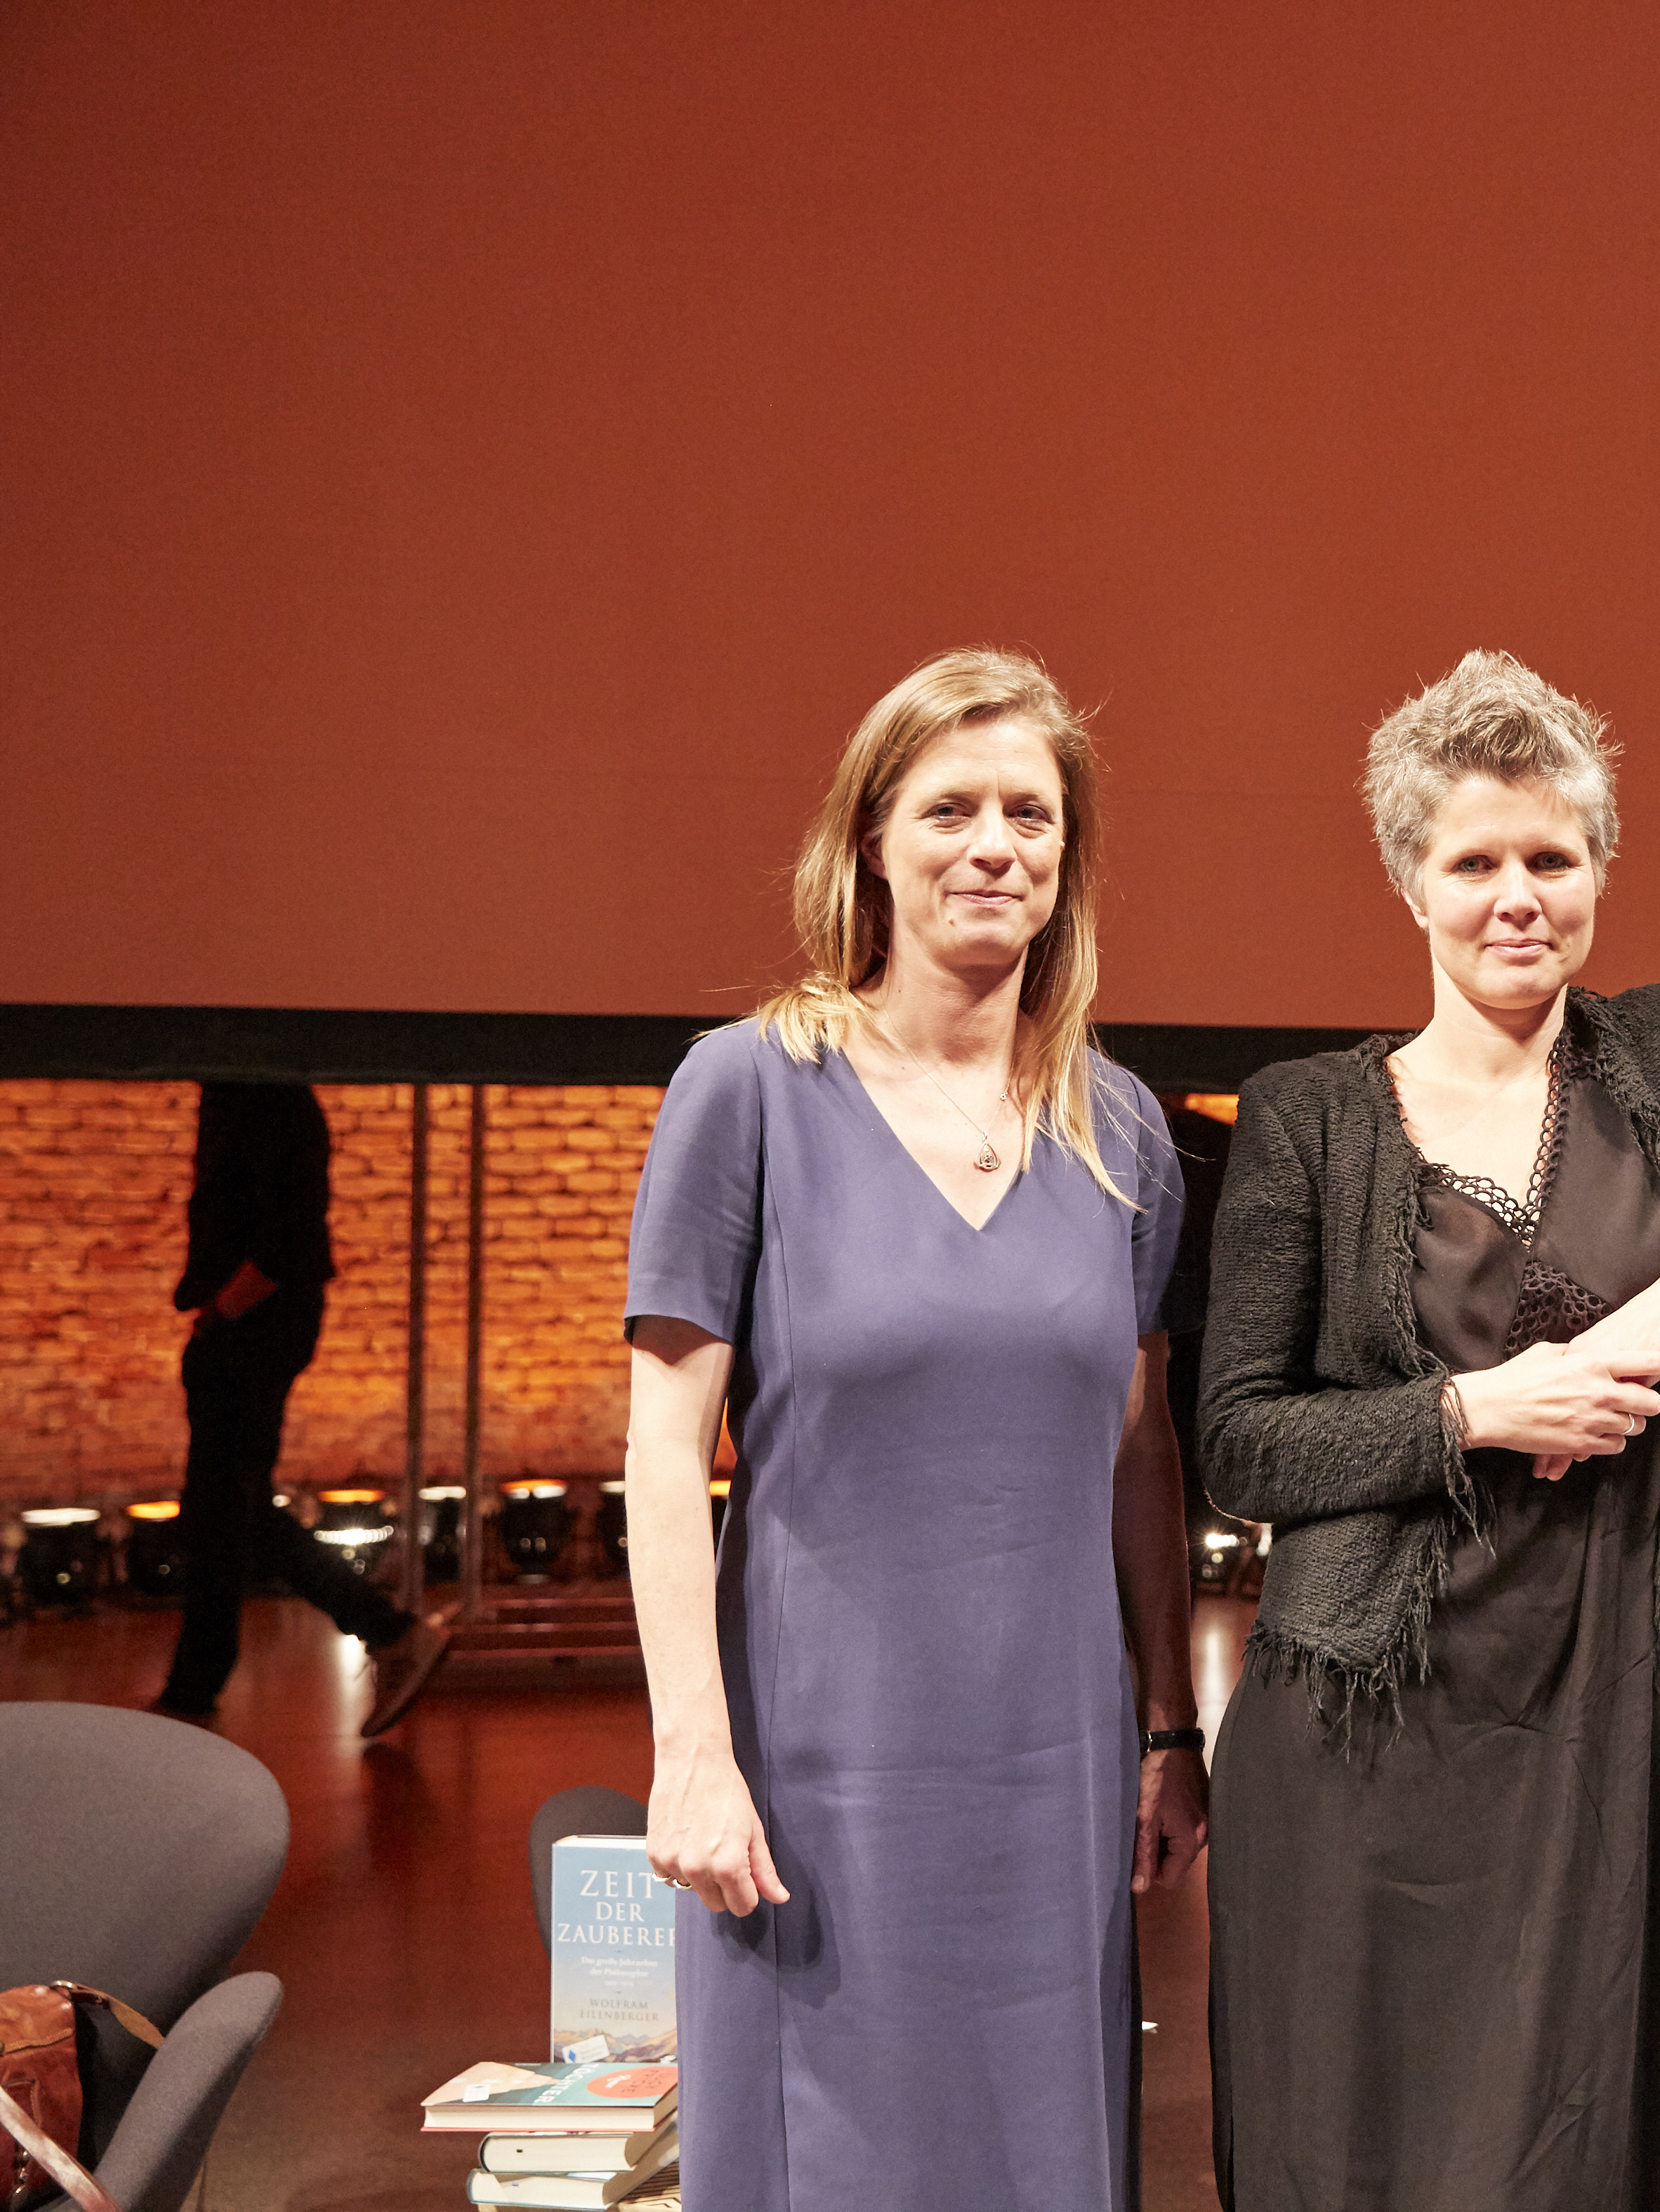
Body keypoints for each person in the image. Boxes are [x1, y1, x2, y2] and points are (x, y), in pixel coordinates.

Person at [1201, 650, 1660, 2211]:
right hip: (1361, 1732)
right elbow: (1244, 1443)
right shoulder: (1306, 1117)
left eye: (1552, 857)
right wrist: (1471, 1410)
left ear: (1599, 868)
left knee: (1565, 2141)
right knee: (1352, 2146)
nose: (1516, 897)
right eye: (1474, 863)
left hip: (1599, 1699)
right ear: (1410, 881)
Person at [621, 647, 1204, 2212]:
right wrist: (692, 1756)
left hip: (1053, 1772)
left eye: (1031, 813)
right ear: (871, 843)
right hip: (815, 1769)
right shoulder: (747, 1090)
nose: (993, 846)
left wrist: (1169, 1727)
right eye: (950, 810)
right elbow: (664, 1457)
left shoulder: (1122, 1128)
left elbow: (1137, 1452)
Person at [153, 1080, 450, 1734]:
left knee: (226, 1506)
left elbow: (287, 1236)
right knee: (227, 1508)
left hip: (254, 1324)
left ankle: (384, 1631)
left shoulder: (263, 1096)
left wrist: (225, 1311)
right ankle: (195, 1688)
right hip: (253, 1320)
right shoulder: (257, 1092)